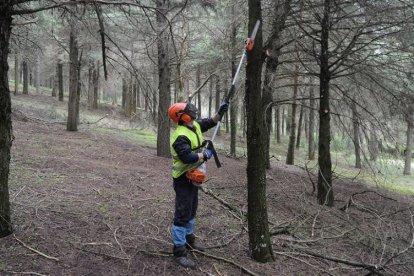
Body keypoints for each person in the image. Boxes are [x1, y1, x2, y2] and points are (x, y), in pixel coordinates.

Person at [168, 100, 228, 269]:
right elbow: (187, 157)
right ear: (181, 116)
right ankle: (179, 250)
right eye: (189, 111)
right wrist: (204, 155)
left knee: (192, 209)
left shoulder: (192, 126)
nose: (193, 113)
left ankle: (189, 239)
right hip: (182, 178)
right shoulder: (180, 136)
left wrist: (219, 113)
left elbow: (208, 123)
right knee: (182, 212)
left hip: (193, 177)